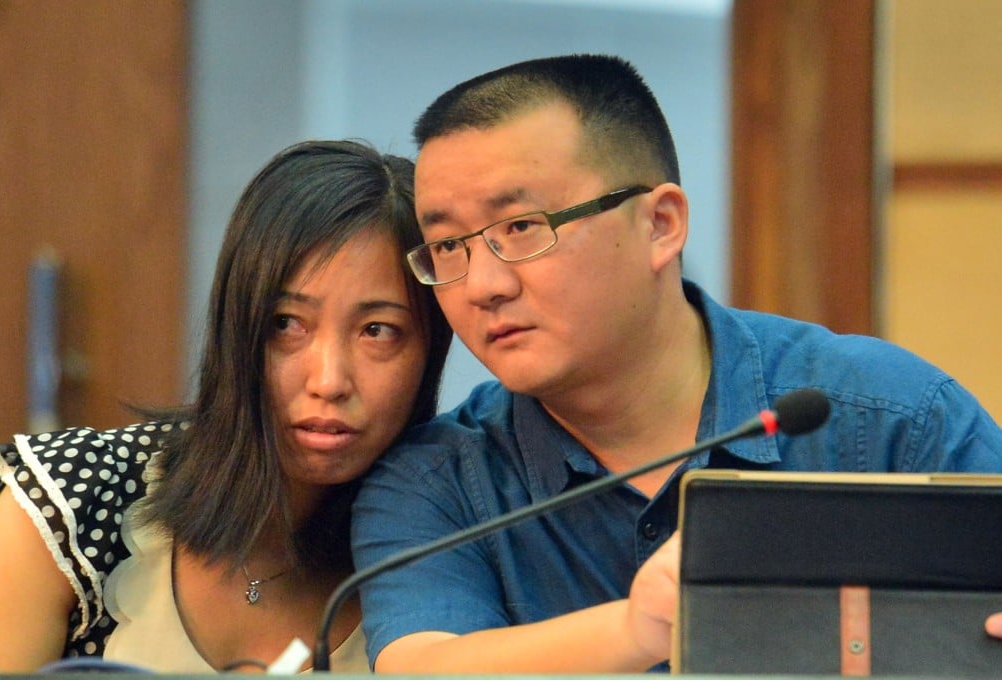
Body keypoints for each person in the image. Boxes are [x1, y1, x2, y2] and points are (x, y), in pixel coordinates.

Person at [350, 54, 1002, 673]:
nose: (482, 284)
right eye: (447, 247)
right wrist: (637, 627)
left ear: (661, 224)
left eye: (521, 227)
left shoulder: (886, 419)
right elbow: (423, 664)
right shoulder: (438, 482)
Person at [0, 139, 451, 672]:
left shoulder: (445, 548)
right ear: (236, 327)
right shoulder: (68, 503)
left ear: (430, 350)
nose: (329, 380)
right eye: (286, 325)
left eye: (378, 331)